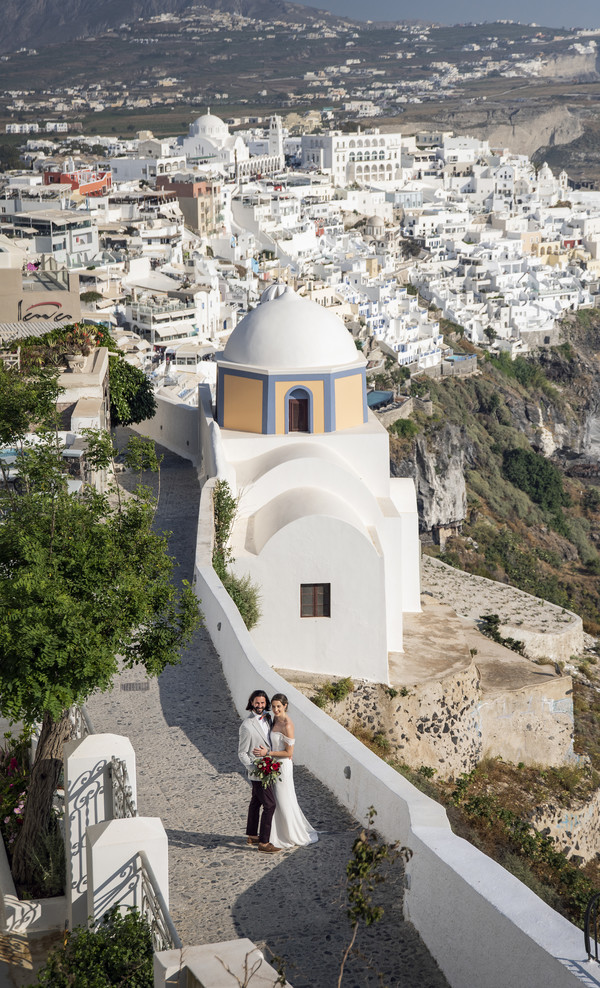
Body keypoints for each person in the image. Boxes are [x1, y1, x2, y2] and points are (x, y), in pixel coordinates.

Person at [253, 693, 318, 849]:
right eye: (273, 706)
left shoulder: (288, 725)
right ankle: (272, 834)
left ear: (285, 706)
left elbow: (289, 753)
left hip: (282, 766)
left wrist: (267, 753)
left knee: (283, 799)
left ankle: (288, 834)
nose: (275, 709)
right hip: (272, 764)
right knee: (274, 799)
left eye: (279, 707)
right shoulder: (273, 718)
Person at [238, 689, 280, 854]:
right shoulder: (247, 726)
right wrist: (255, 768)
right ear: (251, 703)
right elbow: (242, 753)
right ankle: (263, 842)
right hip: (259, 771)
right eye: (257, 703)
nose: (260, 705)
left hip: (269, 766)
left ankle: (252, 835)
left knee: (256, 802)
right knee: (270, 805)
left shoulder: (269, 719)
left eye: (263, 703)